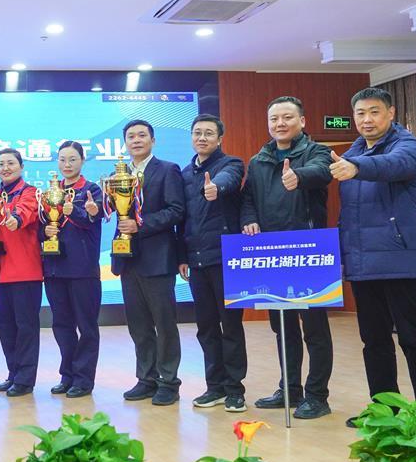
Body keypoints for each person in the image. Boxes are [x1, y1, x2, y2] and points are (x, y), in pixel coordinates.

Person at [331, 87, 416, 426]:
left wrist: (356, 167)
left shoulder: (408, 146)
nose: (367, 119)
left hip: (400, 260)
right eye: (360, 113)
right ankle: (384, 410)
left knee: (413, 338)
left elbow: (395, 165)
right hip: (363, 264)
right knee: (374, 341)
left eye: (374, 112)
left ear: (391, 113)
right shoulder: (352, 152)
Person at [240, 96, 334, 420]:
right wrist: (248, 220)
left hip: (309, 251)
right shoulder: (258, 160)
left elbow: (322, 172)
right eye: (274, 119)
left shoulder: (316, 151)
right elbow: (248, 199)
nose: (280, 123)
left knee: (315, 328)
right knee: (283, 326)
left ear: (302, 121)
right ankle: (291, 389)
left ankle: (318, 396)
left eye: (287, 117)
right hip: (272, 253)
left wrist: (299, 177)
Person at [108, 119, 186, 406]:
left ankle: (169, 381)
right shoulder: (118, 175)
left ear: (153, 140)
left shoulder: (167, 169)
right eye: (131, 136)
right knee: (138, 325)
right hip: (127, 259)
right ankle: (146, 378)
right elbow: (116, 211)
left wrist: (141, 225)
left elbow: (176, 210)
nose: (137, 140)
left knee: (164, 324)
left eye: (142, 135)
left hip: (157, 258)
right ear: (125, 143)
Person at [176, 115, 248, 413]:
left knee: (230, 325)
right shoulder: (184, 174)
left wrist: (215, 187)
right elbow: (182, 219)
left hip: (225, 257)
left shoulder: (231, 164)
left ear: (219, 138)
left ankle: (235, 390)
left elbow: (229, 180)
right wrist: (182, 256)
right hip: (196, 259)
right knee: (205, 327)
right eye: (197, 133)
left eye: (208, 133)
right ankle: (214, 387)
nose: (202, 138)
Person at [43, 140, 104, 398]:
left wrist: (76, 210)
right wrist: (46, 230)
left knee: (86, 327)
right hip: (54, 268)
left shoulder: (92, 190)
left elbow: (93, 218)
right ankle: (67, 375)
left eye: (72, 159)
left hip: (83, 269)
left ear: (82, 161)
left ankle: (83, 379)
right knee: (61, 325)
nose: (67, 164)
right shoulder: (50, 192)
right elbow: (41, 227)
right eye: (62, 160)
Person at [0, 148, 42, 398]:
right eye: (1, 164)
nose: (6, 168)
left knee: (26, 326)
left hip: (24, 271)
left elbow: (27, 211)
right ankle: (14, 373)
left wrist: (16, 218)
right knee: (6, 327)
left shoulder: (30, 192)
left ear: (21, 166)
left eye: (11, 163)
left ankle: (25, 379)